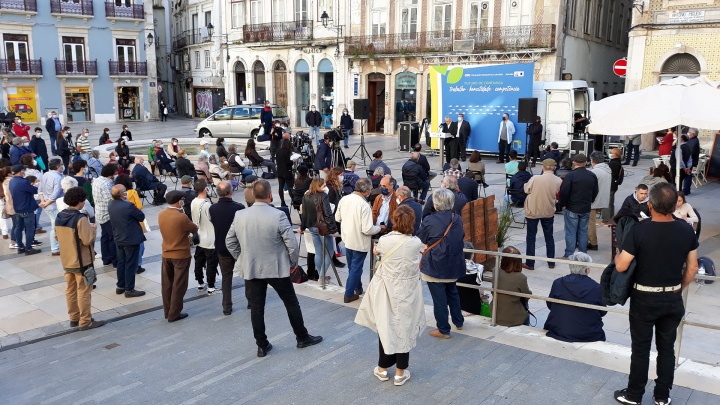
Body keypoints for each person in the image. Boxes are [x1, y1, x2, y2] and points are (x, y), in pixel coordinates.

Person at [613, 183, 699, 405]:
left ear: (649, 205)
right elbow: (692, 268)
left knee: (640, 349)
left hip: (644, 298)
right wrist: (678, 288)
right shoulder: (686, 230)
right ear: (673, 205)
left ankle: (634, 395)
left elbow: (622, 266)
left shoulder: (639, 230)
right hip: (672, 297)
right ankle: (662, 396)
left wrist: (617, 257)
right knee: (667, 349)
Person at [226, 180, 323, 356]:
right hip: (276, 267)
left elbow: (230, 241)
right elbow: (291, 244)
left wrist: (242, 258)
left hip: (252, 267)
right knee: (291, 302)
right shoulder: (277, 215)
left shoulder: (240, 215)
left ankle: (262, 345)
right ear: (270, 195)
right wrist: (292, 262)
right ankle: (302, 337)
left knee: (256, 307)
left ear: (254, 195)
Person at [355, 205, 425, 386]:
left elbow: (378, 252)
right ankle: (400, 372)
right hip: (408, 290)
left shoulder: (385, 240)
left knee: (386, 326)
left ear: (395, 220)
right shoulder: (416, 242)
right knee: (404, 327)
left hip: (386, 290)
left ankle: (383, 368)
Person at [417, 188, 465, 338]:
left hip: (435, 264)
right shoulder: (456, 218)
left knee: (439, 299)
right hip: (453, 263)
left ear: (435, 204)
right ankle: (458, 321)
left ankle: (443, 329)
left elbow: (421, 239)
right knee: (452, 292)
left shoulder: (429, 220)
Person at [55, 187, 105, 331]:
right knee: (84, 291)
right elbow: (87, 239)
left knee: (70, 290)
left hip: (67, 259)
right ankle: (85, 321)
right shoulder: (80, 218)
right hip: (82, 261)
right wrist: (93, 228)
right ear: (80, 201)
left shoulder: (60, 216)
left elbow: (57, 236)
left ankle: (74, 317)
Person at [335, 179, 384, 303]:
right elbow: (367, 229)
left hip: (347, 238)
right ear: (367, 190)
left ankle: (358, 288)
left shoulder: (344, 199)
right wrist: (380, 228)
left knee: (353, 267)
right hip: (359, 241)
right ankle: (349, 293)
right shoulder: (364, 205)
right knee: (356, 268)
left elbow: (337, 217)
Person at [545, 252, 606, 342]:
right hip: (589, 334)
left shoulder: (558, 283)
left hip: (559, 331)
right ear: (587, 270)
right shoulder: (597, 288)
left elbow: (550, 305)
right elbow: (603, 312)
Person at [157, 190, 198, 322]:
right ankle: (174, 314)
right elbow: (194, 227)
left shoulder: (161, 214)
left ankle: (167, 310)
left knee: (167, 284)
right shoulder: (181, 217)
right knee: (179, 285)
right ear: (179, 201)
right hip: (180, 255)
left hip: (166, 253)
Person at [209, 181, 245, 315]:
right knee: (247, 274)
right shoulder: (239, 207)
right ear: (231, 192)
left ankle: (226, 306)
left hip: (221, 247)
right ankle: (251, 301)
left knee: (226, 277)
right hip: (238, 247)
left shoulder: (213, 208)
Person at [108, 184, 146, 298]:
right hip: (130, 239)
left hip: (119, 238)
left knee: (121, 262)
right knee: (130, 263)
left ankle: (121, 286)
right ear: (121, 194)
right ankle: (129, 289)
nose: (126, 193)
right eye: (125, 192)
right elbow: (141, 216)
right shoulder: (128, 206)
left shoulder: (110, 204)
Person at [523, 158, 562, 270]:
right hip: (548, 210)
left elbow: (526, 189)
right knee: (549, 236)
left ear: (543, 167)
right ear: (554, 167)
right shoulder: (558, 180)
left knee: (531, 237)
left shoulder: (535, 178)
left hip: (533, 210)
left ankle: (530, 263)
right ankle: (551, 262)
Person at [558, 154, 598, 258]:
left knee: (571, 232)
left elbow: (564, 191)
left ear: (574, 163)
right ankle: (583, 254)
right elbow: (595, 191)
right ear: (585, 163)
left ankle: (569, 254)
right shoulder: (592, 175)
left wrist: (562, 204)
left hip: (572, 207)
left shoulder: (571, 175)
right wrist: (590, 201)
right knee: (583, 231)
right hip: (585, 207)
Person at [300, 177, 339, 278]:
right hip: (322, 227)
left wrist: (303, 227)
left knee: (318, 252)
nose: (325, 187)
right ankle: (321, 276)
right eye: (324, 185)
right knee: (330, 252)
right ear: (319, 185)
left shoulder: (306, 196)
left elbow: (304, 214)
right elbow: (328, 213)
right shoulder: (323, 195)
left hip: (311, 226)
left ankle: (321, 275)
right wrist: (333, 229)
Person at [189, 178, 218, 293]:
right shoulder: (207, 205)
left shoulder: (193, 201)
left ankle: (200, 283)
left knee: (199, 261)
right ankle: (211, 286)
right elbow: (212, 219)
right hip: (209, 238)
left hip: (199, 236)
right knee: (211, 263)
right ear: (205, 189)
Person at [494, 246, 532, 327]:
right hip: (513, 317)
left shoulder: (495, 271)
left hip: (495, 312)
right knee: (525, 310)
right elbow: (527, 295)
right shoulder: (521, 277)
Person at [113, 175, 144, 273]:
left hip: (119, 228)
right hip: (133, 223)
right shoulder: (132, 193)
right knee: (139, 246)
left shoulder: (113, 198)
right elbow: (139, 207)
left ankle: (121, 283)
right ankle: (138, 265)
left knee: (122, 257)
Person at [8, 164, 40, 255]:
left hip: (17, 209)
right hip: (27, 208)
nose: (24, 172)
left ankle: (20, 247)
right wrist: (36, 185)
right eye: (23, 170)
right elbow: (34, 190)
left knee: (18, 228)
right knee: (30, 229)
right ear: (20, 171)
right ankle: (29, 248)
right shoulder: (23, 182)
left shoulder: (12, 181)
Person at [92, 163, 118, 267]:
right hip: (107, 214)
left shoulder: (97, 180)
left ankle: (106, 259)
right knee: (112, 238)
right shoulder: (107, 184)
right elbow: (110, 200)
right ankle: (115, 260)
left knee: (105, 236)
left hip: (99, 212)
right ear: (111, 173)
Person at [39, 158, 65, 256]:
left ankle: (57, 246)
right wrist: (46, 203)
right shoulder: (58, 178)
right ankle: (55, 248)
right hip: (53, 205)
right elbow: (56, 193)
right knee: (55, 227)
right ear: (58, 166)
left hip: (47, 203)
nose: (63, 166)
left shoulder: (45, 174)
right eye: (61, 165)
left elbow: (40, 190)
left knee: (55, 225)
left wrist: (43, 201)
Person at [588, 151, 611, 250]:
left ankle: (593, 243)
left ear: (592, 160)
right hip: (602, 199)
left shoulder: (595, 172)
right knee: (591, 222)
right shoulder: (607, 169)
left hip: (594, 201)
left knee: (590, 223)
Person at [607, 147, 624, 221]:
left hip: (611, 186)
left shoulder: (614, 164)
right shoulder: (617, 162)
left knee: (608, 203)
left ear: (615, 155)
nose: (610, 154)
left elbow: (612, 175)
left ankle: (608, 218)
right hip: (613, 185)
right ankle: (611, 216)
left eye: (611, 153)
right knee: (611, 202)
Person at [276, 138, 294, 207]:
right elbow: (288, 162)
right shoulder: (287, 152)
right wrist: (293, 161)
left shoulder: (278, 151)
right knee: (290, 187)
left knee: (281, 187)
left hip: (280, 171)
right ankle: (293, 200)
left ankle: (282, 201)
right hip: (286, 171)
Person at [683, 128, 700, 195]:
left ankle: (686, 190)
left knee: (687, 175)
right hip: (691, 161)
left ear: (693, 134)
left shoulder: (693, 141)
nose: (689, 134)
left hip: (689, 161)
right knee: (688, 175)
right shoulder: (693, 140)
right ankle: (687, 190)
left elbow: (690, 152)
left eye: (689, 133)